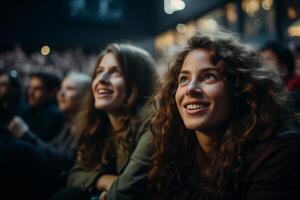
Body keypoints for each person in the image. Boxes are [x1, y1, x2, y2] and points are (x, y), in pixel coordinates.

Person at [149, 29, 300, 200]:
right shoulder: (173, 148)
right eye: (183, 79)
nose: (190, 88)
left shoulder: (277, 151)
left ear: (240, 89)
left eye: (208, 76)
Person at [51, 43, 157, 200]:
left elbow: (124, 192)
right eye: (99, 72)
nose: (101, 79)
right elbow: (74, 175)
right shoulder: (97, 125)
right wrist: (105, 180)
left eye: (115, 72)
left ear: (138, 82)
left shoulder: (153, 122)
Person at [8, 72, 91, 177]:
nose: (61, 93)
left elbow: (66, 161)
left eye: (69, 89)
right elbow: (53, 147)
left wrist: (25, 134)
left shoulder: (88, 126)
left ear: (86, 96)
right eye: (61, 88)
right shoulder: (69, 122)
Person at [21, 71, 65, 141]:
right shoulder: (29, 110)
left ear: (52, 92)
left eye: (37, 89)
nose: (30, 93)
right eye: (30, 88)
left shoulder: (54, 116)